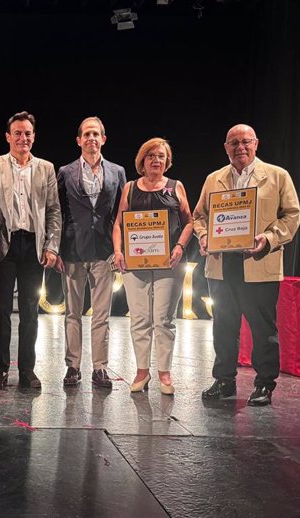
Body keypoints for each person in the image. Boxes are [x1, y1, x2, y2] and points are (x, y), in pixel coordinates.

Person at [194, 124, 300, 406]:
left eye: (245, 142)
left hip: (258, 261)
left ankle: (265, 383)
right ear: (225, 147)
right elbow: (199, 217)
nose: (240, 147)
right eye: (234, 143)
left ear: (256, 144)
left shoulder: (278, 176)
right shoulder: (213, 178)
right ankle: (224, 380)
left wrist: (268, 238)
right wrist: (204, 236)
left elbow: (291, 216)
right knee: (224, 325)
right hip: (221, 265)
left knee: (263, 328)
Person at [0, 111, 61, 389]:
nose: (22, 138)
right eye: (17, 133)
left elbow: (54, 212)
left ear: (33, 137)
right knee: (1, 310)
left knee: (29, 311)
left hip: (34, 246)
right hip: (5, 244)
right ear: (8, 137)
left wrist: (51, 246)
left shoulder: (46, 168)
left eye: (27, 133)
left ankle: (27, 370)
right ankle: (0, 370)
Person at [112, 138, 194, 395]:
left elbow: (189, 221)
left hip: (169, 263)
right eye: (151, 156)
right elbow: (118, 224)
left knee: (164, 319)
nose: (156, 160)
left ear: (167, 161)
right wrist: (118, 251)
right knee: (139, 318)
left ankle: (165, 373)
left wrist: (179, 246)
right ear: (142, 161)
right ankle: (141, 371)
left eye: (160, 156)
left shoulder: (175, 186)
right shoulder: (129, 187)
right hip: (135, 263)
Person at [55, 116, 126, 388]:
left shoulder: (118, 172)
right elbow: (58, 213)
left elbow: (122, 215)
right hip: (72, 250)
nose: (91, 138)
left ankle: (100, 368)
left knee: (102, 315)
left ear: (103, 139)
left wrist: (120, 250)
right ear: (78, 140)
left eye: (95, 134)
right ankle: (72, 366)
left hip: (105, 251)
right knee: (72, 313)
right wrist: (57, 248)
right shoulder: (65, 172)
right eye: (86, 134)